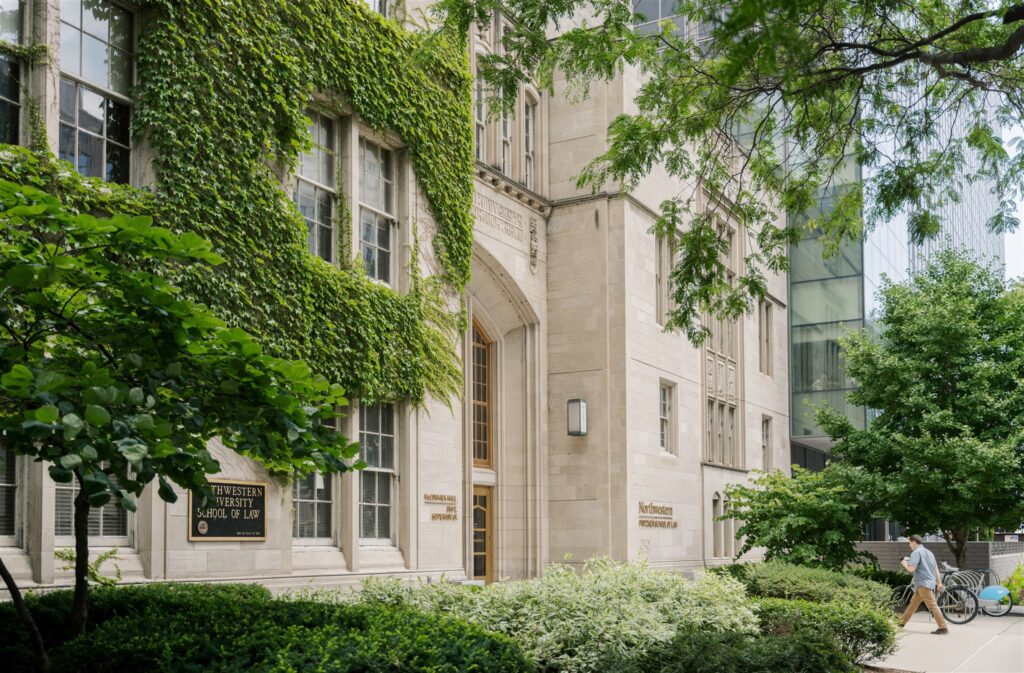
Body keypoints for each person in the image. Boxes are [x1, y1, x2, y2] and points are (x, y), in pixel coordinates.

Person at [899, 534, 948, 634]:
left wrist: (904, 563)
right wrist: (939, 582)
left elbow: (911, 569)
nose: (909, 546)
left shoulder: (916, 553)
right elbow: (936, 569)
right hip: (928, 583)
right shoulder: (929, 553)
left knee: (933, 605)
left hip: (923, 583)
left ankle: (943, 627)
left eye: (909, 543)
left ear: (914, 542)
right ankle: (901, 623)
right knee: (913, 604)